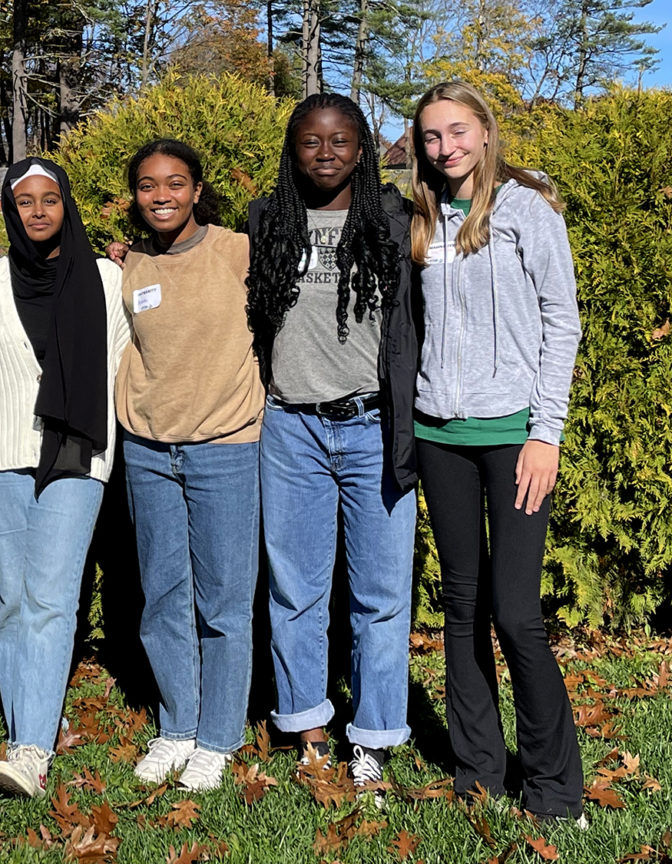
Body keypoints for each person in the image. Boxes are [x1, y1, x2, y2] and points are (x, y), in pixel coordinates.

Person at [409, 80, 584, 826]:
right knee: (462, 608)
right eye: (429, 137)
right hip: (437, 435)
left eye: (455, 132)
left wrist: (546, 433)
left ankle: (554, 789)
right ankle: (478, 774)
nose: (443, 148)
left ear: (485, 131)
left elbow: (561, 322)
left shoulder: (526, 209)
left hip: (513, 436)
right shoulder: (417, 215)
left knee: (516, 615)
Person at [245, 93, 420, 795]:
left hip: (374, 428)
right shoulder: (265, 220)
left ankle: (373, 737)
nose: (325, 153)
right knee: (296, 591)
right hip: (290, 428)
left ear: (362, 147)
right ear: (293, 150)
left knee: (379, 595)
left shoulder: (395, 221)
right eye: (311, 142)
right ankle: (308, 730)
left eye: (340, 140)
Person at [0, 157, 129, 798]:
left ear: (67, 205)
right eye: (25, 201)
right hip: (0, 451)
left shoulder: (108, 278)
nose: (38, 211)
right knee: (12, 603)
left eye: (50, 199)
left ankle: (30, 748)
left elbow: (121, 359)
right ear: (10, 209)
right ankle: (28, 721)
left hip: (78, 452)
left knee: (53, 598)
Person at [115, 139, 263, 792]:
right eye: (149, 185)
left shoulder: (236, 251)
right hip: (148, 450)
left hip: (225, 447)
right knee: (164, 596)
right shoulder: (132, 265)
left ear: (198, 190)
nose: (162, 195)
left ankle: (219, 736)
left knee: (225, 601)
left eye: (176, 183)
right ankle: (177, 725)